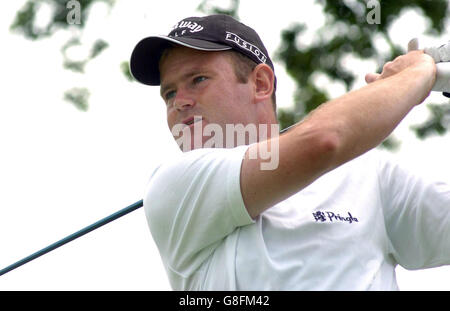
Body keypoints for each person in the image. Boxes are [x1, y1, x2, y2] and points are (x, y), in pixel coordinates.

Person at [130, 14, 450, 290]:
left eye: (198, 80)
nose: (179, 102)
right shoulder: (175, 185)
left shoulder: (368, 174)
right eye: (169, 93)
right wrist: (419, 73)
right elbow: (323, 141)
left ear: (260, 84)